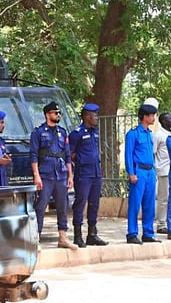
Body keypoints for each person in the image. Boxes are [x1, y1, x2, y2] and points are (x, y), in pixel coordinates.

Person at [30, 101, 76, 249]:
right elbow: (34, 156)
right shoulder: (38, 133)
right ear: (47, 115)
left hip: (61, 175)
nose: (58, 115)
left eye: (59, 113)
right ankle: (35, 240)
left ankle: (63, 237)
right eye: (55, 113)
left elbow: (67, 155)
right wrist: (36, 175)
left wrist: (70, 176)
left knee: (63, 207)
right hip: (45, 175)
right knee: (41, 206)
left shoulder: (62, 132)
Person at [69, 103, 108, 247]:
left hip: (96, 173)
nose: (97, 118)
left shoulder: (95, 132)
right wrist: (80, 161)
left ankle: (92, 234)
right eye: (95, 115)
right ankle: (77, 235)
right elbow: (70, 153)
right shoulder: (77, 133)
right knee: (80, 203)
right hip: (83, 174)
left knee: (94, 203)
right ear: (87, 116)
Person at [124, 102, 159, 244]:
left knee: (149, 203)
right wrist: (131, 173)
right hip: (139, 170)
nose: (154, 118)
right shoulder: (133, 134)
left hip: (150, 171)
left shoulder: (150, 134)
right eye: (152, 116)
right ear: (145, 117)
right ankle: (132, 233)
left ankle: (148, 232)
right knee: (135, 203)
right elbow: (128, 155)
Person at [153, 112, 171, 234]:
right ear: (164, 121)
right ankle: (161, 224)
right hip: (164, 170)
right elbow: (153, 152)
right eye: (169, 119)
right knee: (163, 198)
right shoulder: (159, 135)